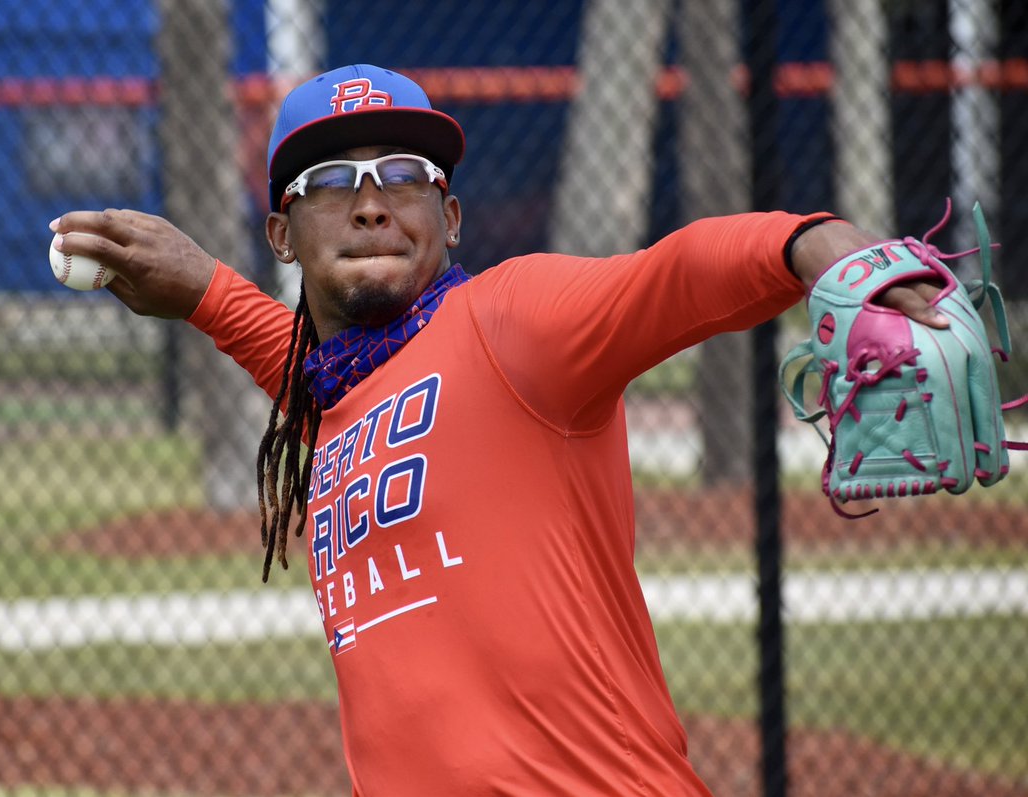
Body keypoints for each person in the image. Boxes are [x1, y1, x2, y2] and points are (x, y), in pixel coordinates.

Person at [50, 64, 948, 796]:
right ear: (282, 233)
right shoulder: (332, 397)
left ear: (450, 218)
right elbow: (294, 359)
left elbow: (673, 276)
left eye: (406, 175)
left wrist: (811, 243)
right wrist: (204, 286)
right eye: (333, 181)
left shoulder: (513, 325)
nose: (372, 203)